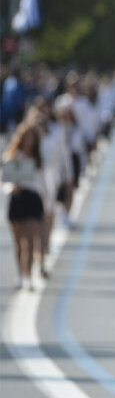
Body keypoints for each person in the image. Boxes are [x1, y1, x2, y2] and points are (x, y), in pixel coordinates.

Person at [2, 122, 47, 291]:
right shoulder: (13, 156)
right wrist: (12, 187)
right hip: (17, 199)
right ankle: (20, 274)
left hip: (33, 199)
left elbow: (42, 182)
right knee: (19, 243)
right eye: (26, 139)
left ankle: (28, 276)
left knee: (30, 240)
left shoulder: (38, 159)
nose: (29, 142)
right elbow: (4, 180)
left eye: (31, 139)